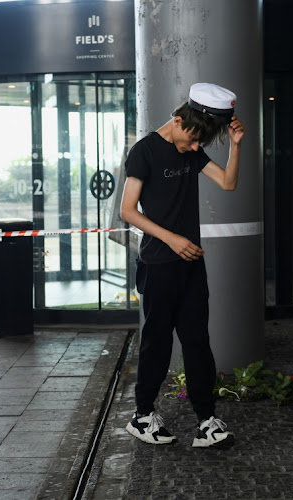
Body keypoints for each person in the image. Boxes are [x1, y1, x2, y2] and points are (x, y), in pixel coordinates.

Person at [120, 83, 245, 448]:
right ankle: (142, 416)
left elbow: (228, 183)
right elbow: (127, 211)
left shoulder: (191, 147)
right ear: (177, 120)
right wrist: (171, 238)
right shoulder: (144, 151)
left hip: (191, 265)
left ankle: (207, 420)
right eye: (192, 141)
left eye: (199, 144)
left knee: (197, 342)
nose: (195, 149)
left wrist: (236, 146)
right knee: (156, 344)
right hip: (159, 264)